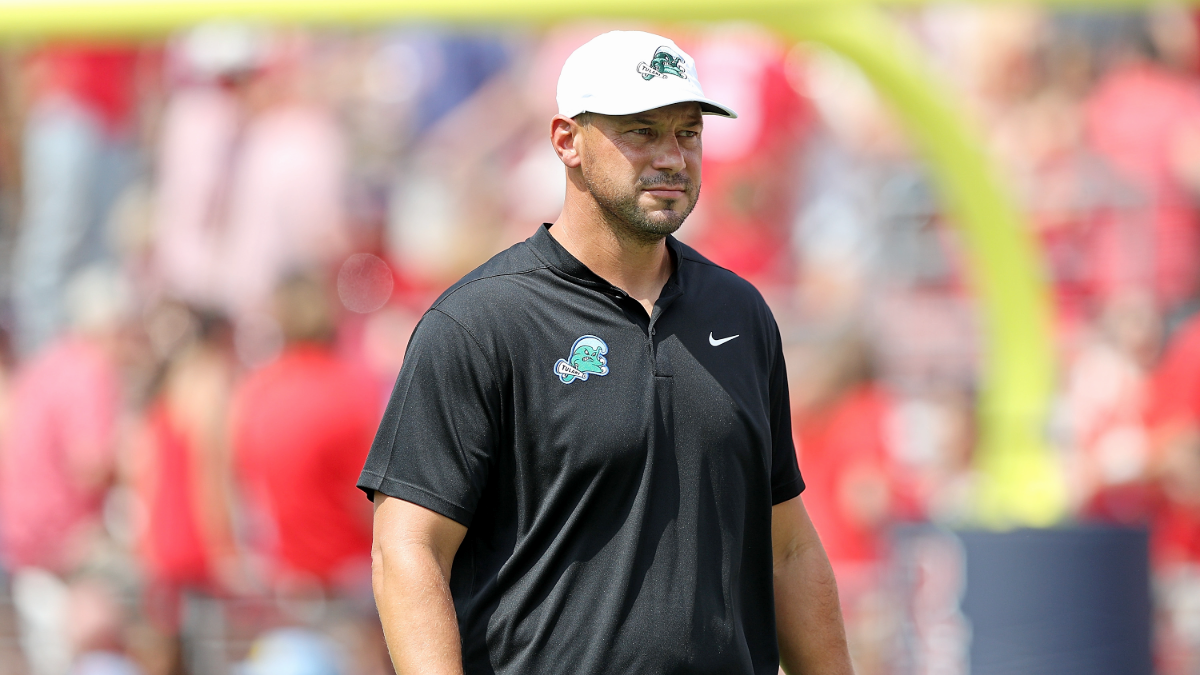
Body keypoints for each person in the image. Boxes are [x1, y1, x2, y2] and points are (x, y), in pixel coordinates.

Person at [360, 31, 852, 675]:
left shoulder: (740, 314)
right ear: (567, 141)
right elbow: (408, 548)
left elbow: (785, 546)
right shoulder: (481, 321)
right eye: (642, 131)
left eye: (688, 134)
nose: (672, 157)